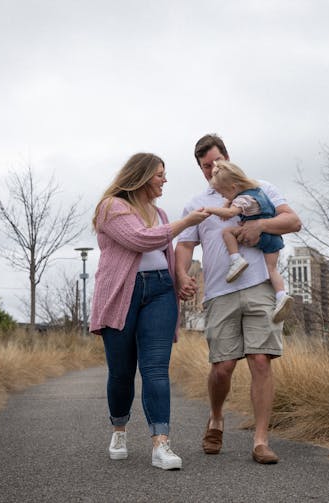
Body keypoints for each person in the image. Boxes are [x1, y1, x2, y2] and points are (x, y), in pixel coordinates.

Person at [175, 134, 301, 464]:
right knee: (223, 367)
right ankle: (216, 416)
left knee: (261, 360)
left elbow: (293, 221)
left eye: (216, 162)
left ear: (227, 158)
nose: (211, 169)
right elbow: (185, 245)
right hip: (219, 292)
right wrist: (182, 274)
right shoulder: (196, 203)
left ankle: (260, 441)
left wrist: (260, 225)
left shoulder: (260, 187)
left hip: (260, 285)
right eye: (205, 166)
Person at [89, 152, 209, 471]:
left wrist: (180, 279)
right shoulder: (112, 207)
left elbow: (165, 254)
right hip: (121, 294)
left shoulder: (161, 212)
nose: (164, 180)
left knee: (156, 368)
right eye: (159, 174)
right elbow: (140, 239)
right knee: (122, 373)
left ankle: (161, 444)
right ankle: (119, 429)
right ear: (141, 176)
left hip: (159, 291)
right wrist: (186, 222)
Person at [203, 160, 294, 323]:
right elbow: (233, 200)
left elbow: (231, 213)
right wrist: (228, 200)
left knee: (227, 232)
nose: (223, 197)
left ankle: (236, 260)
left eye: (223, 194)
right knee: (272, 269)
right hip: (273, 238)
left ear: (232, 188)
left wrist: (210, 209)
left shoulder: (242, 199)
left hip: (258, 236)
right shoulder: (256, 191)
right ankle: (281, 296)